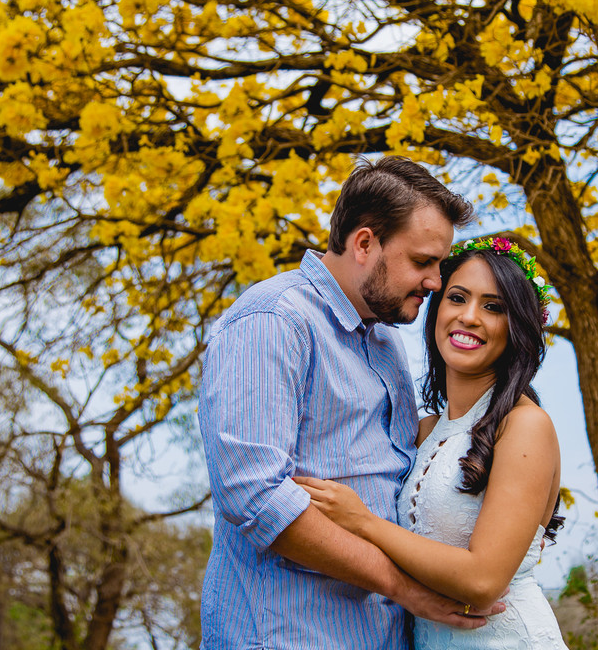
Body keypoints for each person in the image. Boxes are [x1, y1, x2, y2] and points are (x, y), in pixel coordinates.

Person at [198, 156, 485, 650]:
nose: (436, 282)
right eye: (422, 262)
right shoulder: (274, 321)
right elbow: (254, 497)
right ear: (365, 243)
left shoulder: (383, 340)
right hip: (287, 635)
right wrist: (402, 588)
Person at [295, 236, 569, 649]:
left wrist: (364, 523)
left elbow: (482, 581)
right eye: (457, 298)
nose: (470, 317)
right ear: (437, 308)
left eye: (494, 307)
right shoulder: (422, 431)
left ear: (519, 328)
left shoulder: (525, 426)